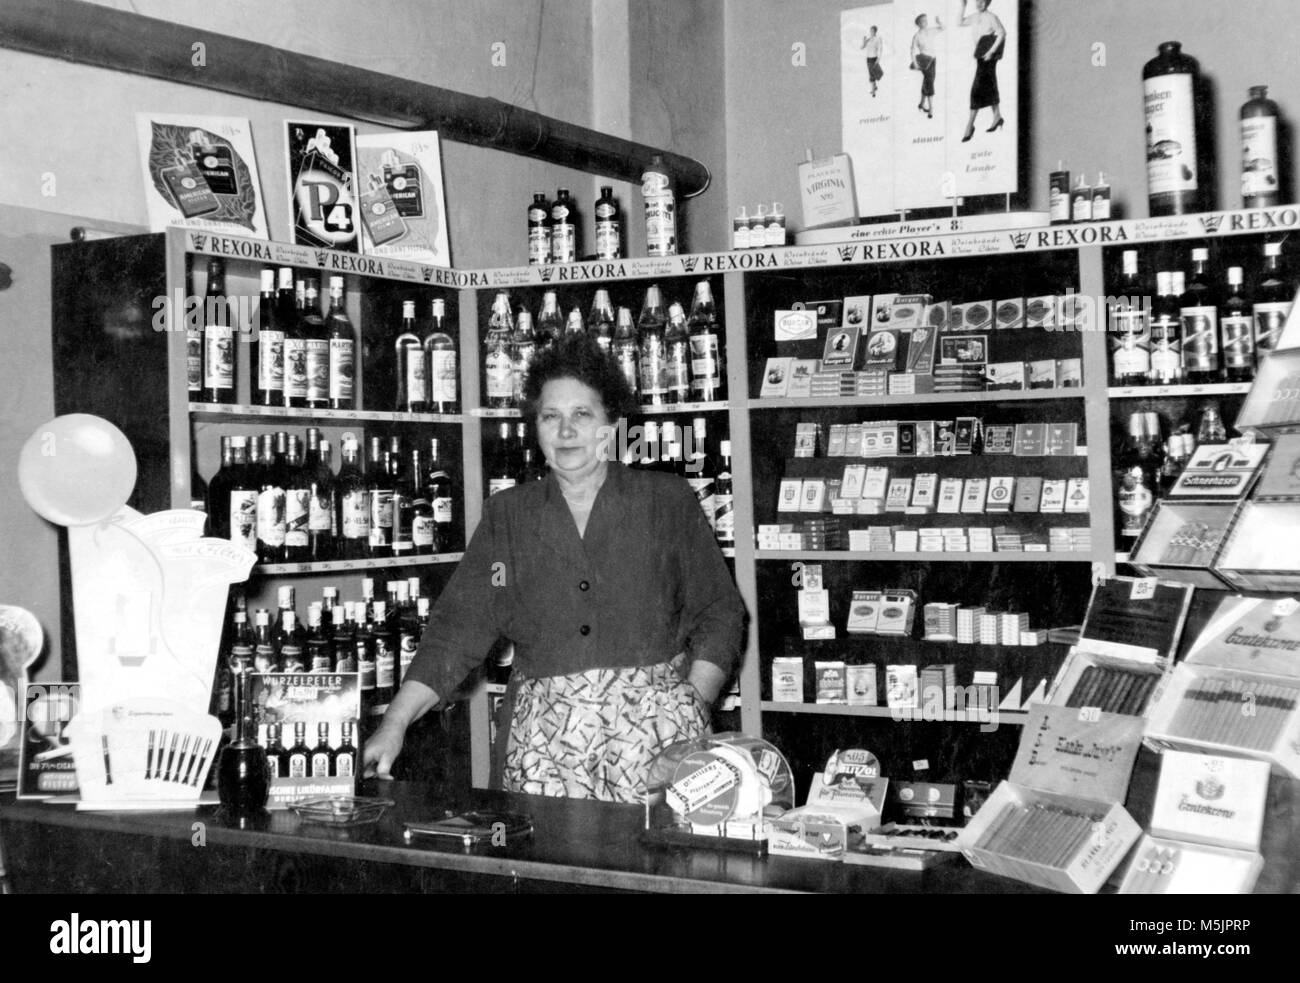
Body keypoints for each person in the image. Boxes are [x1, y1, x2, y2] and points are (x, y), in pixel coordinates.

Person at [363, 333, 745, 802]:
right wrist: (395, 724)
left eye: (582, 415)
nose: (566, 432)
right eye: (550, 416)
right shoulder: (509, 517)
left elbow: (720, 611)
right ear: (536, 427)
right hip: (543, 747)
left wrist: (690, 705)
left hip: (659, 741)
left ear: (610, 426)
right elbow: (459, 628)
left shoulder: (665, 501)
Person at [960, 0, 1006, 141]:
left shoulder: (992, 17)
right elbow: (959, 22)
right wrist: (963, 6)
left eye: (983, 1)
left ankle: (969, 125)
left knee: (977, 89)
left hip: (988, 56)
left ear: (988, 3)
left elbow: (1002, 33)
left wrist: (991, 52)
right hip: (980, 54)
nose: (979, 4)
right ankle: (997, 116)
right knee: (990, 85)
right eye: (977, 1)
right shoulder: (974, 16)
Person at [910, 13, 943, 119]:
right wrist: (915, 62)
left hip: (933, 60)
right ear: (918, 24)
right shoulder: (917, 36)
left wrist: (939, 22)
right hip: (924, 61)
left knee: (927, 81)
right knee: (930, 82)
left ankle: (921, 103)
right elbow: (912, 50)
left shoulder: (930, 31)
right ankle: (931, 109)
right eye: (923, 21)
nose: (925, 22)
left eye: (926, 20)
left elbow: (943, 28)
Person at [861, 26, 884, 98]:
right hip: (868, 59)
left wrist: (878, 59)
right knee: (871, 74)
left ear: (875, 31)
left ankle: (873, 90)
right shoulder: (868, 39)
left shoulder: (878, 39)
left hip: (874, 58)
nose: (871, 32)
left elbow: (880, 49)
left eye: (873, 31)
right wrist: (864, 41)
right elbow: (862, 47)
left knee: (873, 75)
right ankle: (874, 87)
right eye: (870, 31)